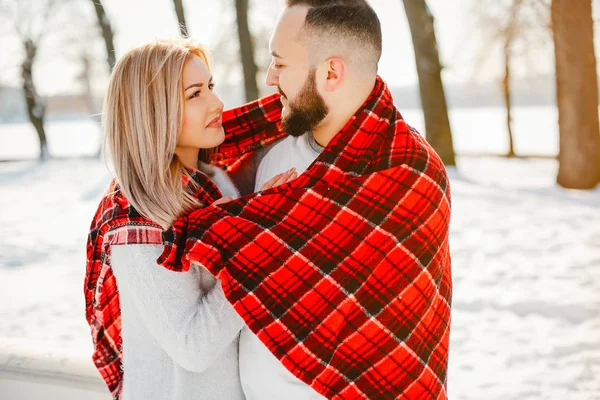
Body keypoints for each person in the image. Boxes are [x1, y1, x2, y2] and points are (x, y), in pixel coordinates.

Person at [159, 1, 453, 399]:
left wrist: (253, 226)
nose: (268, 78)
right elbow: (181, 159)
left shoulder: (406, 176)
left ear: (331, 72)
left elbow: (397, 344)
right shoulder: (271, 147)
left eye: (280, 63)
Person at [84, 39, 294, 400]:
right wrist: (258, 242)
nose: (217, 103)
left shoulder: (214, 182)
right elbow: (193, 346)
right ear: (154, 112)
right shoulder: (139, 221)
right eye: (195, 94)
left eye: (210, 87)